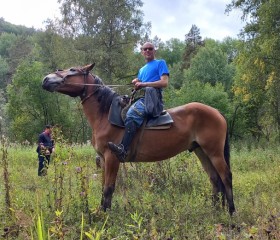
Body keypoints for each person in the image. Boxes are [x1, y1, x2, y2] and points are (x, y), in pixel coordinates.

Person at [108, 42, 169, 162]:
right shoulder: (142, 69)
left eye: (150, 49)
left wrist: (143, 83)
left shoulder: (160, 63)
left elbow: (164, 82)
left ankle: (123, 150)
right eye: (145, 49)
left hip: (153, 98)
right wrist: (137, 81)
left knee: (131, 114)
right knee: (122, 112)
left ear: (154, 51)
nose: (147, 51)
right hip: (141, 98)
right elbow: (140, 84)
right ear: (142, 52)